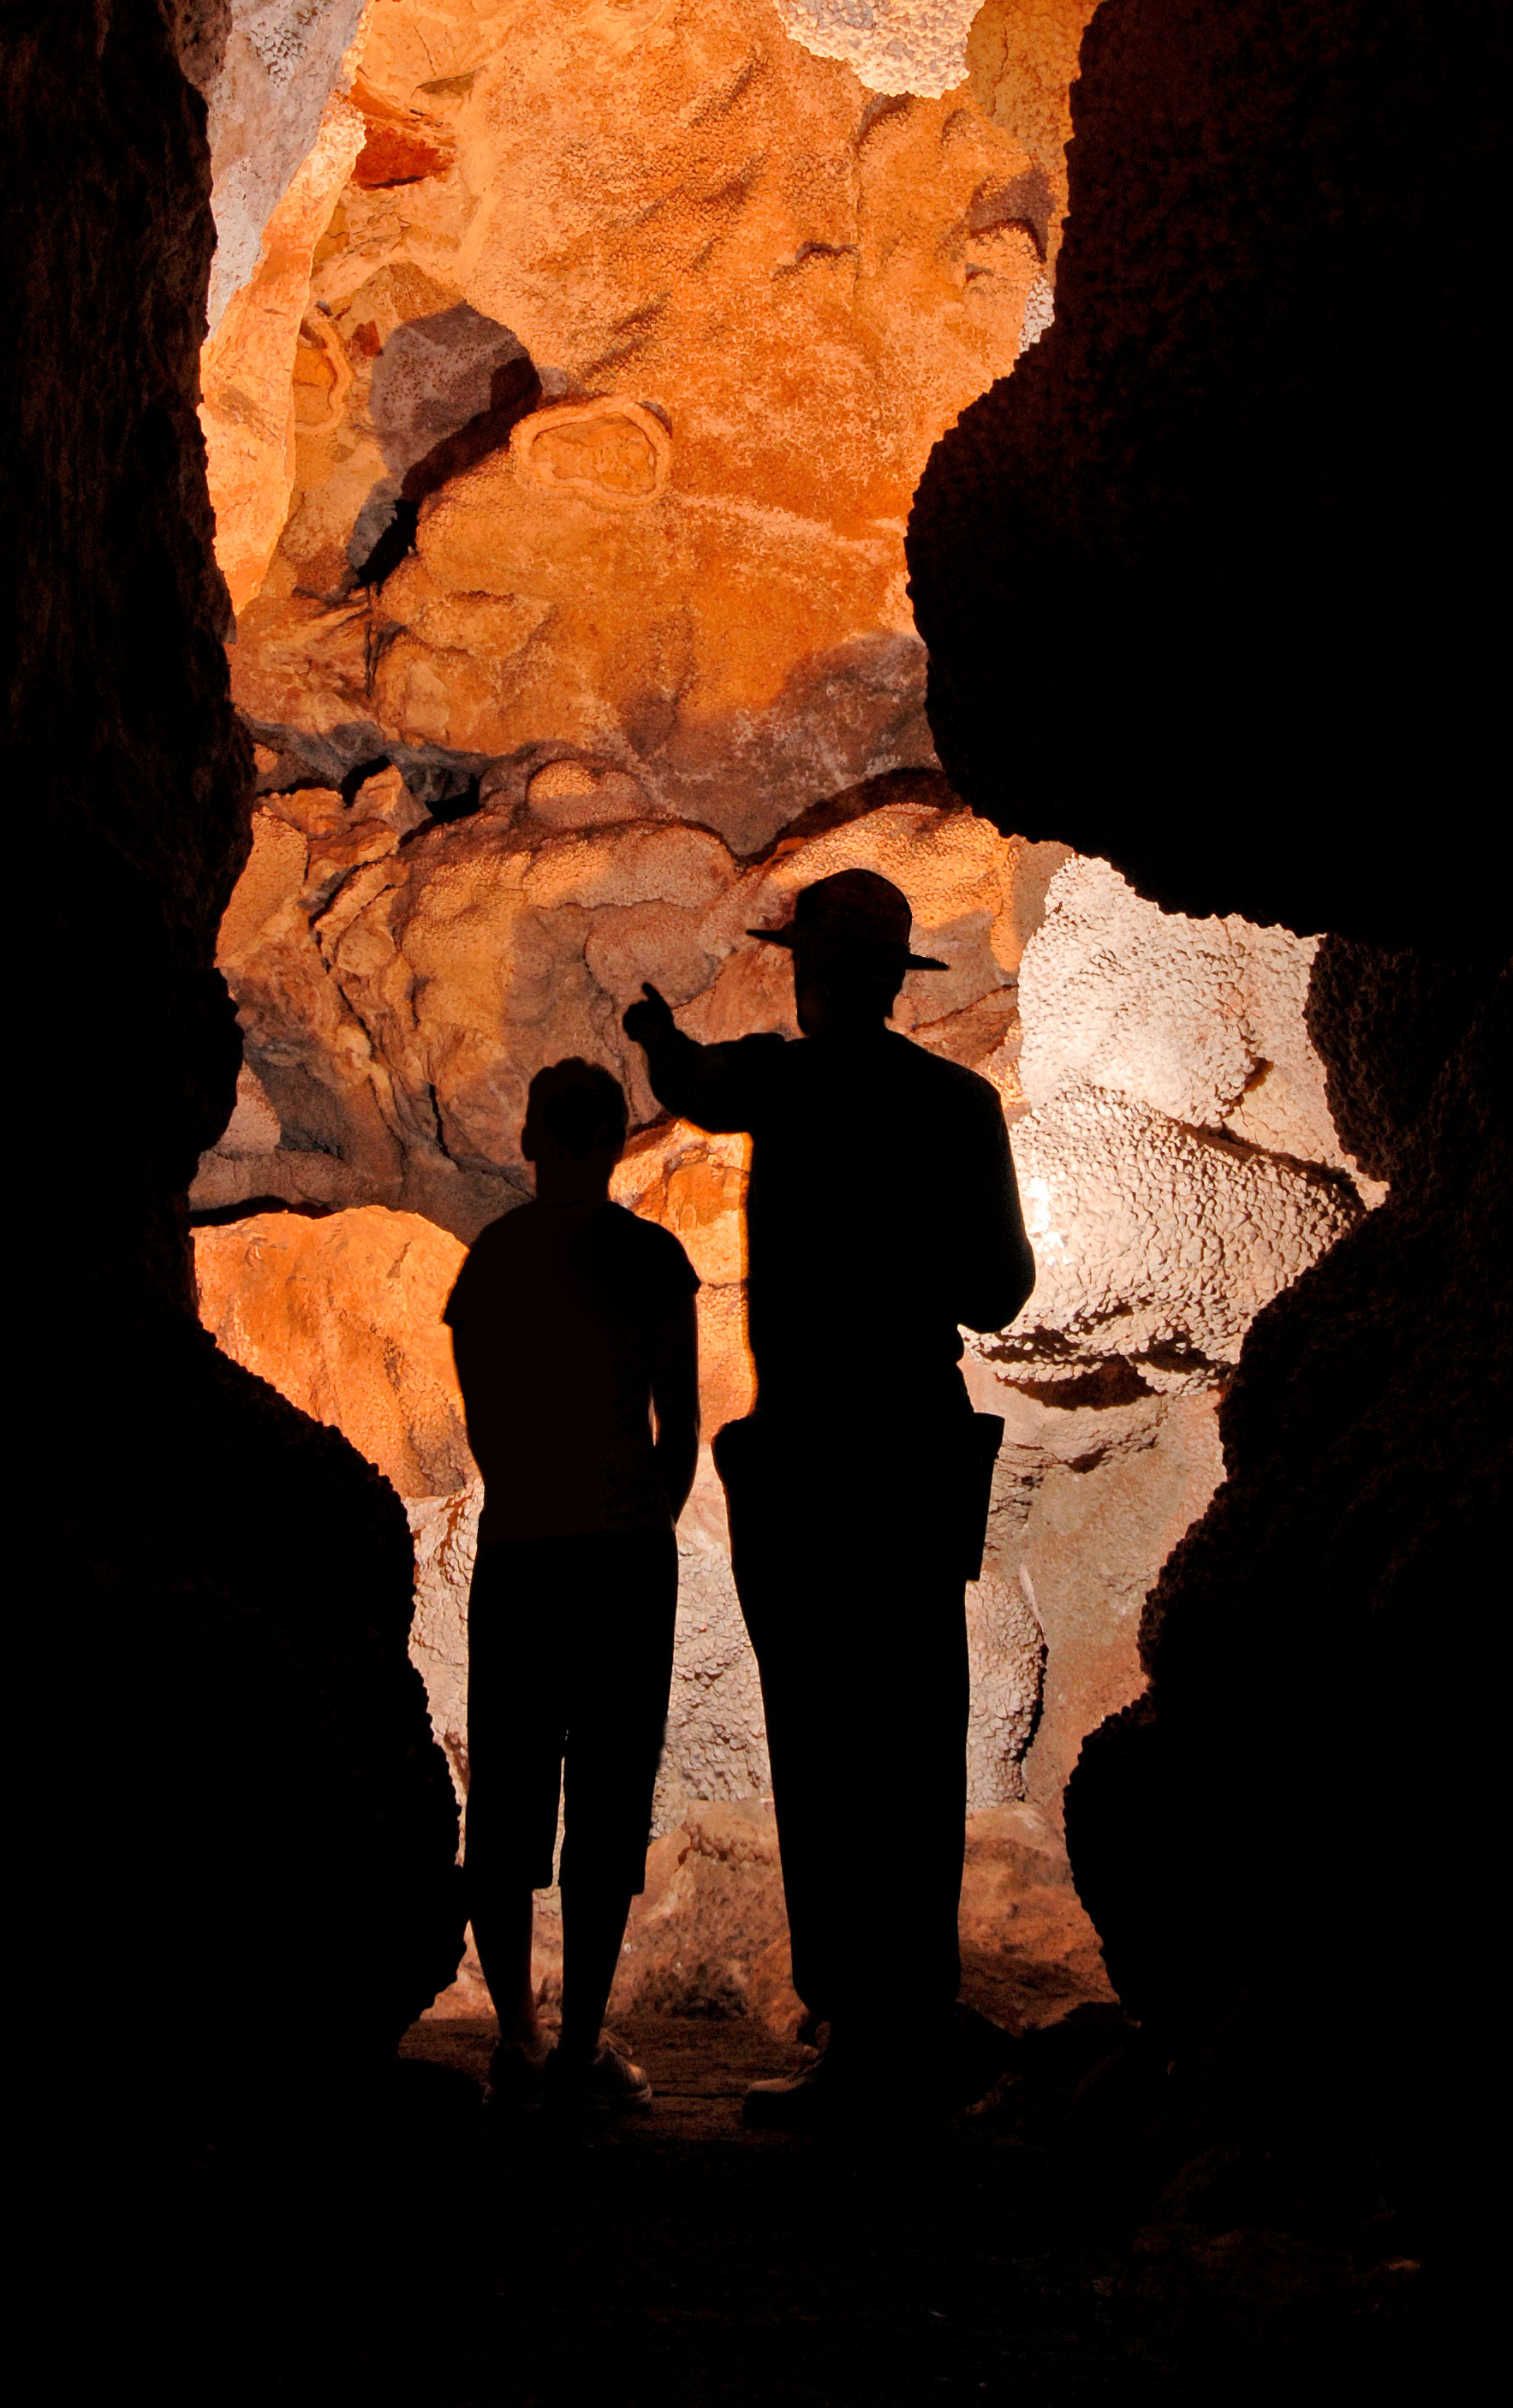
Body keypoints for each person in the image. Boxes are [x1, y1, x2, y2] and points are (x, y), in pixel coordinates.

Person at [622, 867, 1034, 2124]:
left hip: (808, 1456)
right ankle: (914, 2007)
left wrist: (651, 1036)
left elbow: (690, 1083)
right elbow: (999, 1290)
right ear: (892, 979)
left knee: (821, 1732)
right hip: (910, 1449)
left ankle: (858, 2025)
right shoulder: (957, 1105)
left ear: (814, 974)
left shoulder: (782, 1084)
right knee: (913, 1727)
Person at [444, 1055, 700, 2109]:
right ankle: (585, 2048)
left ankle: (518, 2039)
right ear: (613, 1144)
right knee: (607, 1800)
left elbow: (484, 1418)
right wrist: (648, 1518)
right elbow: (679, 1420)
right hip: (622, 1556)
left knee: (506, 1798)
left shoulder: (494, 1259)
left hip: (522, 1550)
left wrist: (528, 1498)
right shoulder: (652, 1257)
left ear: (529, 1140)